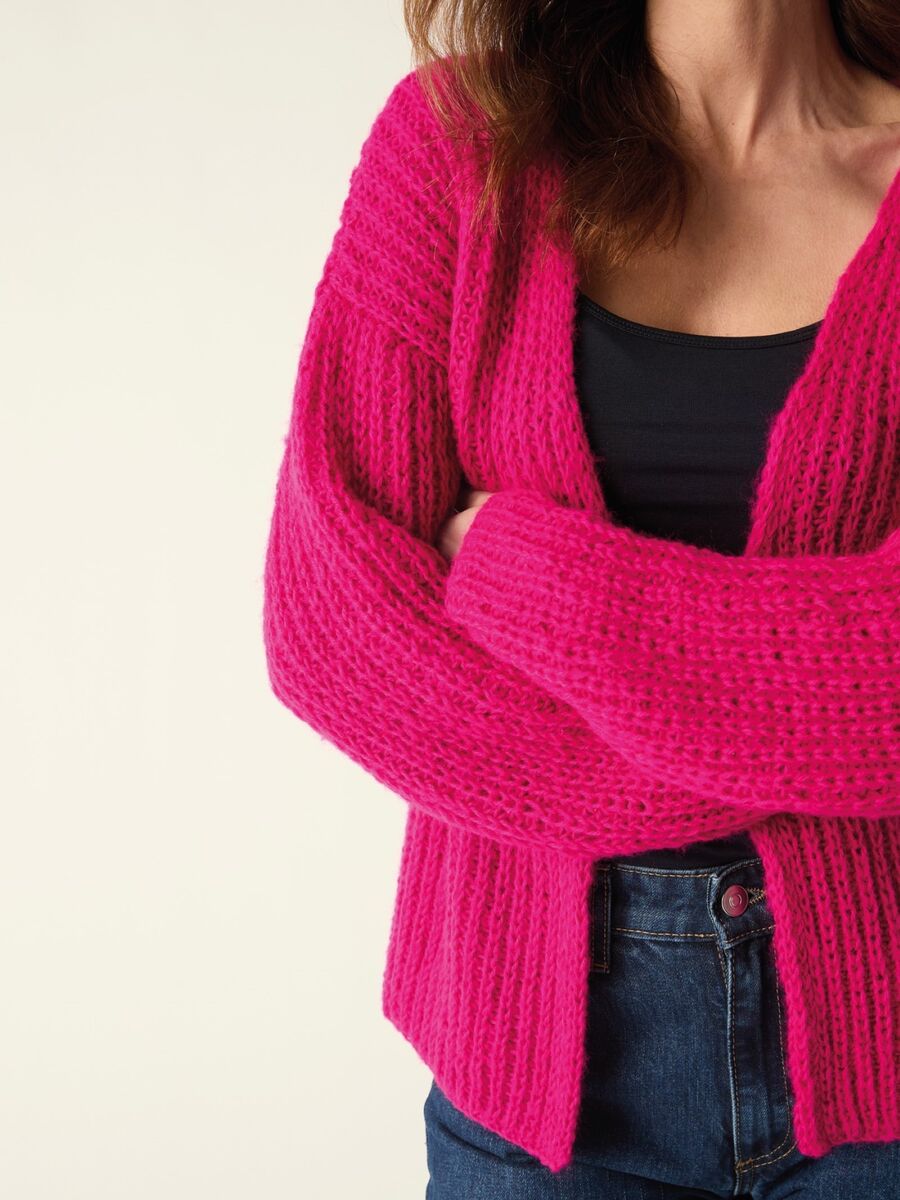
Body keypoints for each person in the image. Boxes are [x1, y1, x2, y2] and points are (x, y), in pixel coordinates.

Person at [262, 1, 900, 1194]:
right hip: (530, 1064)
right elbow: (332, 628)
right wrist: (810, 727)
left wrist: (529, 577)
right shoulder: (461, 148)